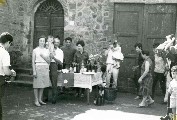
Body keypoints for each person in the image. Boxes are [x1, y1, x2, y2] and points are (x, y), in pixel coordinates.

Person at [0, 32, 16, 119]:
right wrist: (12, 73)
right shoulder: (4, 53)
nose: (9, 46)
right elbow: (6, 71)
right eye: (10, 44)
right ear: (8, 42)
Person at [32, 36, 51, 107]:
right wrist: (34, 71)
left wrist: (43, 56)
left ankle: (40, 99)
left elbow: (49, 61)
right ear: (38, 41)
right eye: (41, 40)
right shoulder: (35, 50)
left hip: (45, 67)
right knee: (37, 85)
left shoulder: (47, 50)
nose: (42, 42)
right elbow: (33, 62)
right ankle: (36, 100)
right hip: (38, 67)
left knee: (42, 84)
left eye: (43, 41)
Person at [49, 36, 64, 104]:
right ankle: (45, 97)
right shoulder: (48, 48)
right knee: (45, 80)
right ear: (53, 42)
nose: (56, 44)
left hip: (54, 65)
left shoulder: (60, 51)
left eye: (58, 42)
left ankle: (54, 97)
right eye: (55, 42)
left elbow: (60, 62)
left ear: (59, 43)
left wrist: (54, 58)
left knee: (54, 81)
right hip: (46, 65)